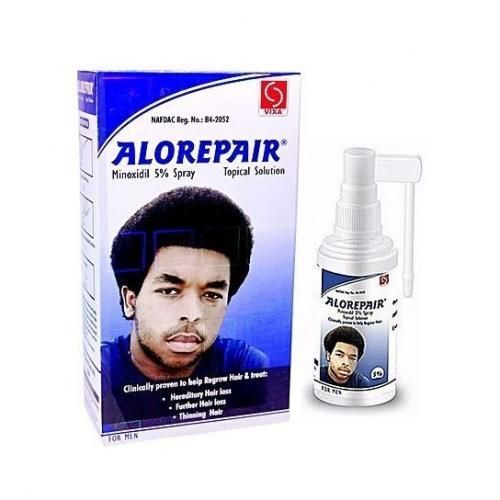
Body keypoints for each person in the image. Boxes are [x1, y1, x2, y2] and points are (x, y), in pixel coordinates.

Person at [102, 186, 268, 426]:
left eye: (211, 295)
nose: (193, 314)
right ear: (131, 301)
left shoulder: (247, 367)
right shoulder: (101, 373)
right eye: (169, 291)